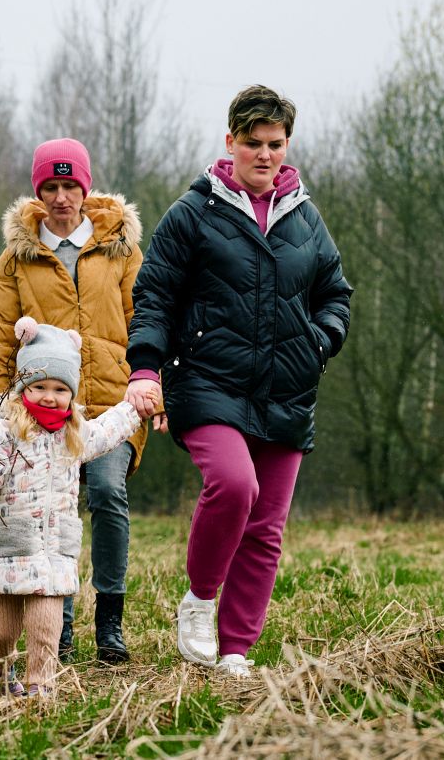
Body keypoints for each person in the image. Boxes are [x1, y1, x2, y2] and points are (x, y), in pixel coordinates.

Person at [124, 85, 353, 678]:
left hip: (287, 390)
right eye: (253, 143)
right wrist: (145, 368)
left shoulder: (305, 217)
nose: (265, 154)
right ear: (231, 142)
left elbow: (335, 294)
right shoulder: (193, 213)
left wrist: (319, 342)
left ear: (287, 145)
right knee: (233, 485)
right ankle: (200, 600)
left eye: (275, 144)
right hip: (207, 382)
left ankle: (235, 652)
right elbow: (154, 296)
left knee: (266, 529)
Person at [0, 137, 155, 663]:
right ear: (39, 191)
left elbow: (144, 319)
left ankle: (110, 622)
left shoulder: (120, 249)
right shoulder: (17, 258)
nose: (61, 198)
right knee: (52, 509)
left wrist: (153, 386)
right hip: (40, 410)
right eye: (51, 187)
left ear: (86, 188)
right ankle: (58, 622)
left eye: (70, 186)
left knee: (106, 491)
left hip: (111, 402)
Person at [0, 317, 142, 698]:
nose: (49, 396)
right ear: (23, 385)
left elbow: (106, 432)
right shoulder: (2, 427)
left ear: (71, 393)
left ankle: (40, 684)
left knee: (46, 625)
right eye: (39, 386)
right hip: (7, 545)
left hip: (53, 548)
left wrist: (134, 409)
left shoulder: (73, 431)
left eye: (59, 389)